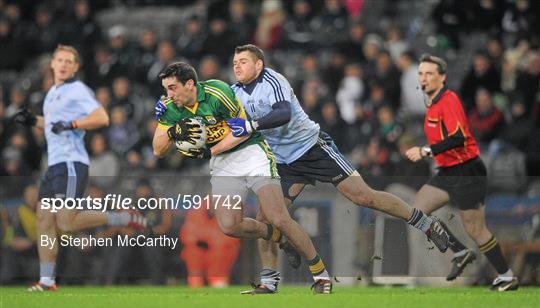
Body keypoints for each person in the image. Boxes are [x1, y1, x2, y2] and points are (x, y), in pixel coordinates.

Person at [225, 44, 450, 294]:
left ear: (259, 65)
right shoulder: (233, 93)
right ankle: (269, 282)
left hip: (313, 149)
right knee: (265, 218)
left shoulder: (273, 80)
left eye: (243, 61)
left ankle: (425, 223)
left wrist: (250, 125)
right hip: (283, 162)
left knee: (364, 196)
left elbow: (283, 113)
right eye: (235, 62)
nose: (237, 66)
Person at [152, 62, 332, 293]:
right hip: (224, 164)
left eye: (173, 87)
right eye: (166, 89)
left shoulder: (218, 92)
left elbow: (243, 129)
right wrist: (172, 131)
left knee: (277, 216)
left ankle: (320, 275)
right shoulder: (170, 107)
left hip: (250, 151)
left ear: (190, 84)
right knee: (229, 226)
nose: (169, 94)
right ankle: (283, 240)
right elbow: (158, 149)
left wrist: (210, 150)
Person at [13, 45, 147, 292]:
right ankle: (46, 281)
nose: (63, 64)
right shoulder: (53, 93)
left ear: (75, 67)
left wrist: (73, 123)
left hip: (71, 163)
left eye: (69, 61)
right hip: (53, 164)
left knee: (66, 223)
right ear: (52, 64)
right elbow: (54, 125)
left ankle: (125, 217)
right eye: (60, 60)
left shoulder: (77, 90)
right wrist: (34, 121)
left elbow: (101, 118)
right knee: (44, 220)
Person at [405, 53, 518, 291]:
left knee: (476, 229)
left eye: (429, 74)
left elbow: (458, 138)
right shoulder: (433, 104)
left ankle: (507, 276)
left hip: (467, 171)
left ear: (442, 77)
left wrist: (425, 150)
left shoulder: (449, 100)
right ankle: (460, 251)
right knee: (417, 211)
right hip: (448, 171)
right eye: (421, 73)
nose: (424, 78)